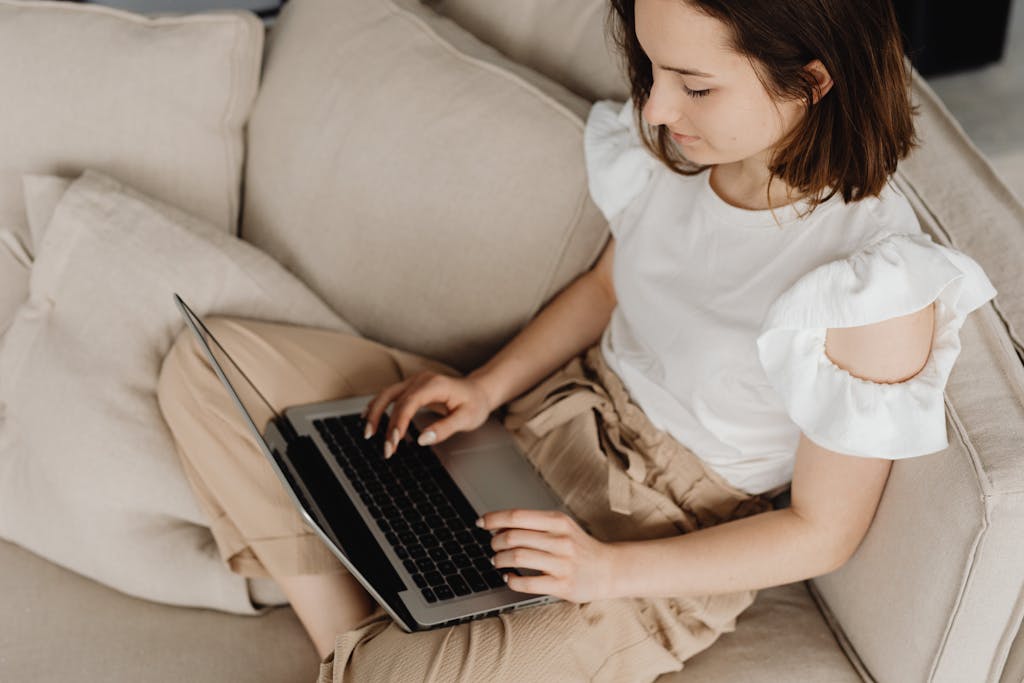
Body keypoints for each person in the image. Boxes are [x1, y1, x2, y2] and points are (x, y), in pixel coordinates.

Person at [156, 0, 997, 680]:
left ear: (811, 81)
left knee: (392, 675)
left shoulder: (870, 285)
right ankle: (386, 618)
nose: (659, 111)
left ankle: (381, 639)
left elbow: (822, 531)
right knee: (207, 367)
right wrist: (485, 387)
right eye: (654, 69)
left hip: (655, 547)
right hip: (533, 427)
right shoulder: (683, 161)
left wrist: (602, 571)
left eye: (694, 86)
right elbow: (604, 288)